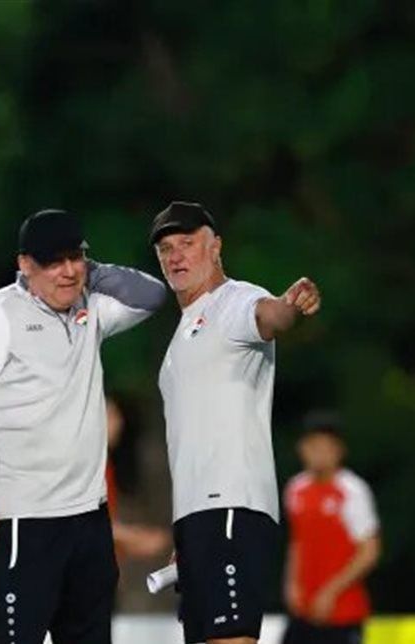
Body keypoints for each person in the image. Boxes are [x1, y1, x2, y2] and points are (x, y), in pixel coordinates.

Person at [0, 208, 167, 644]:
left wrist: (87, 272)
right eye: (53, 262)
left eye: (75, 257)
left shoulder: (90, 304)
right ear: (25, 264)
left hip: (90, 519)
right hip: (27, 518)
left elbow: (152, 295)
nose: (67, 272)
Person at [149, 201, 321, 644]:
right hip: (197, 518)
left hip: (231, 506)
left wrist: (290, 304)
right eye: (166, 248)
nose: (175, 256)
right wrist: (186, 529)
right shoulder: (181, 334)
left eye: (187, 243)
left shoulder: (233, 301)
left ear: (216, 247)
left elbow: (270, 315)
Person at [282, 412, 380, 644]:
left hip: (342, 611)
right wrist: (291, 584)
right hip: (304, 610)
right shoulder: (296, 489)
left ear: (339, 451)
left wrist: (331, 591)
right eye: (314, 447)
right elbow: (297, 542)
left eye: (326, 448)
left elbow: (369, 552)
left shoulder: (352, 491)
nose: (320, 455)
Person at [106, 397, 171, 561]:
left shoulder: (106, 466)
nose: (119, 422)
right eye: (111, 415)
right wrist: (135, 537)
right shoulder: (84, 468)